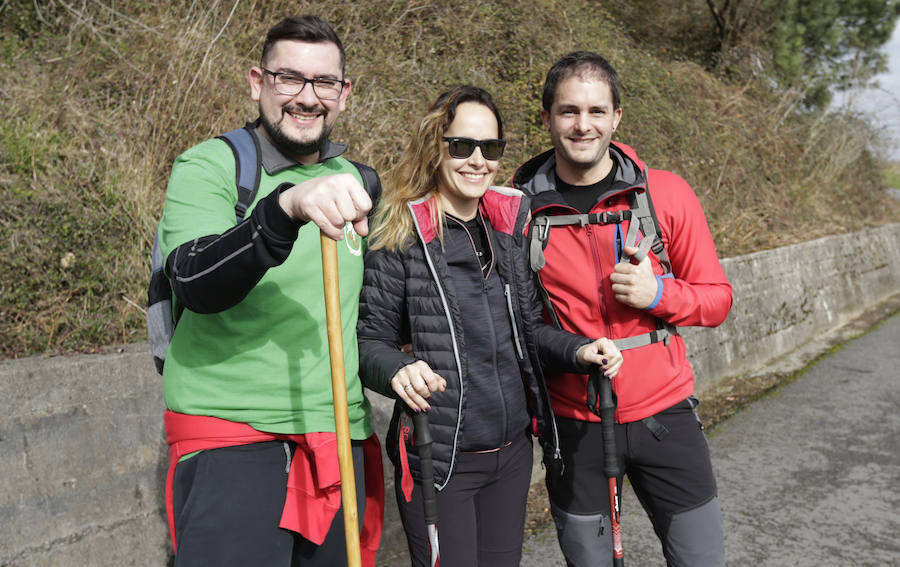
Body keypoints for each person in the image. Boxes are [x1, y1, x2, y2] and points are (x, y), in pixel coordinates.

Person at [356, 85, 623, 567]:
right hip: (441, 459)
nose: (477, 160)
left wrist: (580, 351)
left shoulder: (508, 225)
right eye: (462, 146)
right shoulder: (400, 233)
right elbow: (368, 342)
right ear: (435, 147)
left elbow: (529, 332)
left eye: (491, 148)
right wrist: (397, 369)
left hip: (512, 455)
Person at [156, 15, 384, 566]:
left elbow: (372, 313)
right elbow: (192, 278)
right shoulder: (210, 166)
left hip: (338, 437)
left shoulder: (360, 182)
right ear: (258, 82)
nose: (307, 98)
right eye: (289, 79)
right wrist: (283, 211)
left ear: (344, 94)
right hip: (231, 439)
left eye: (324, 82)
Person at [512, 51, 733, 567]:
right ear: (546, 119)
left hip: (667, 416)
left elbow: (718, 298)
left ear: (617, 117)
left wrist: (659, 295)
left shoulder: (664, 194)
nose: (582, 125)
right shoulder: (516, 209)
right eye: (568, 111)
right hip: (574, 423)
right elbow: (518, 320)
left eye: (595, 111)